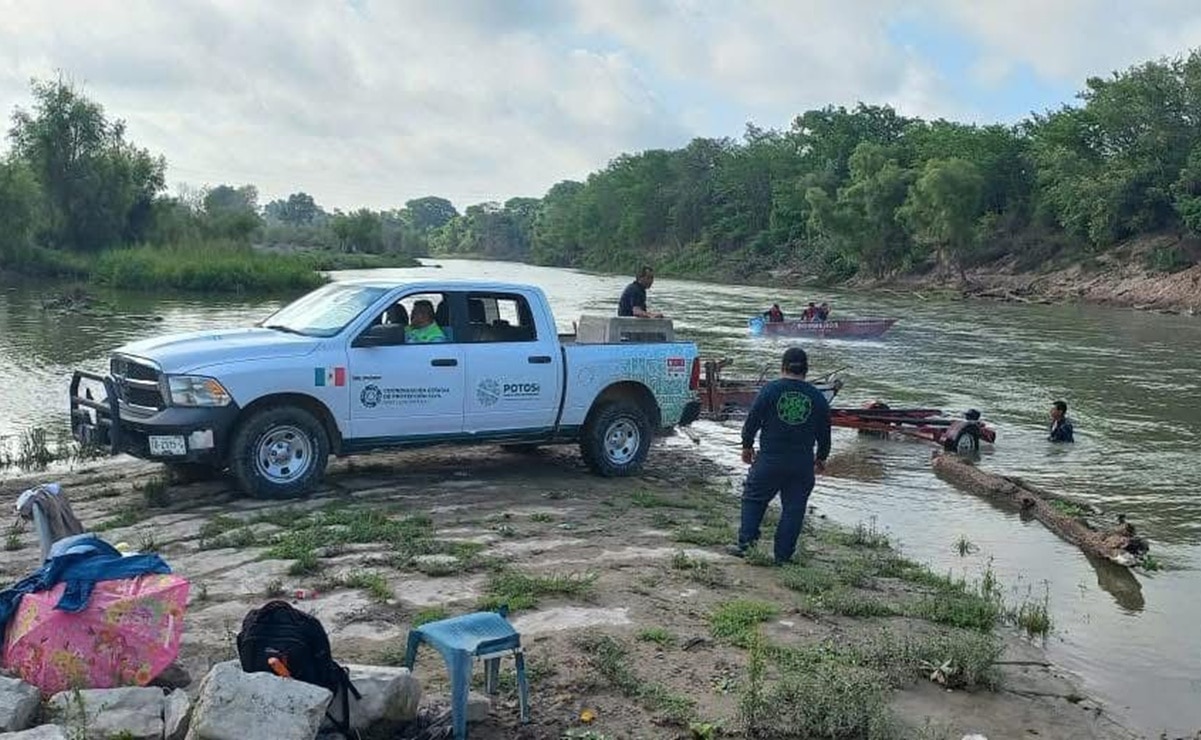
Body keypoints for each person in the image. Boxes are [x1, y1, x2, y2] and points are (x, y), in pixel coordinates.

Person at [729, 347, 831, 565]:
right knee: (794, 509)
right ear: (806, 370)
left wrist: (747, 447)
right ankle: (783, 556)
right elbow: (825, 434)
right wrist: (821, 458)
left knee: (753, 499)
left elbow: (752, 422)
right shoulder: (817, 397)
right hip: (801, 463)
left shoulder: (770, 390)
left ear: (782, 367)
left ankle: (746, 545)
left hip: (770, 459)